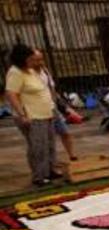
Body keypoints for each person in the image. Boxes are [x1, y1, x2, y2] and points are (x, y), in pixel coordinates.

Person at [5, 43, 57, 186]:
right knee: (38, 146)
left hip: (45, 112)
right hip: (32, 115)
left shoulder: (30, 70)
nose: (33, 62)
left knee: (49, 144)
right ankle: (39, 176)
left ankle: (50, 170)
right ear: (22, 59)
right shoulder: (15, 72)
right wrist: (22, 114)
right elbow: (12, 94)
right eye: (30, 59)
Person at [33, 49, 77, 162]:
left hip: (51, 107)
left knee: (65, 132)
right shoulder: (29, 74)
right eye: (37, 60)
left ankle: (72, 155)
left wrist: (57, 104)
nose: (40, 62)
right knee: (47, 138)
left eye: (41, 59)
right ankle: (49, 163)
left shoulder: (45, 71)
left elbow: (52, 88)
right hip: (39, 110)